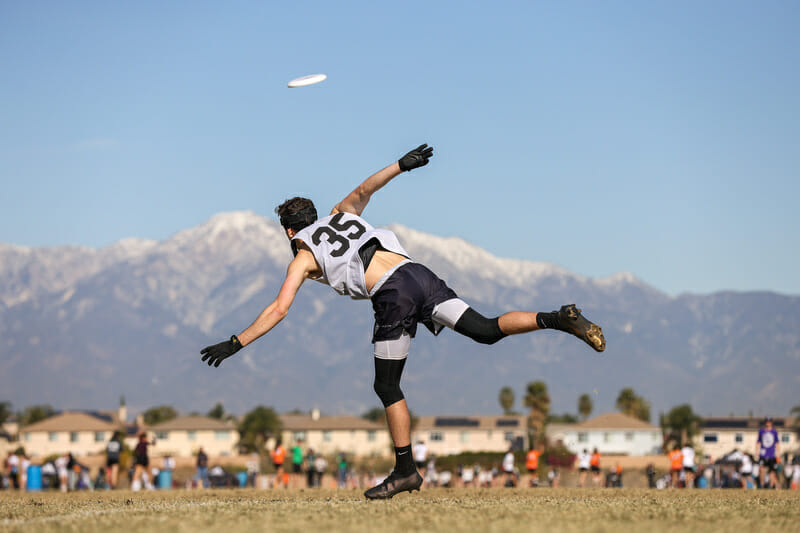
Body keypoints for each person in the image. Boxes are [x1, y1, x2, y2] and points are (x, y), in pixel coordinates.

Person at [199, 143, 606, 500]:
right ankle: (557, 318)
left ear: (290, 231)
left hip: (394, 294)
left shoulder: (302, 255)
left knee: (386, 384)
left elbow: (278, 308)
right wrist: (401, 164)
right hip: (418, 274)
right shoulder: (342, 213)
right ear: (316, 214)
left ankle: (405, 469)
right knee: (484, 330)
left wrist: (236, 342)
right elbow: (363, 190)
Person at [756, 417, 780, 489]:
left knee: (772, 471)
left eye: (769, 421)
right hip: (763, 454)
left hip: (772, 454)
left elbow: (777, 443)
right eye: (766, 421)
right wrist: (756, 452)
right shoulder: (761, 431)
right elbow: (758, 442)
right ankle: (762, 484)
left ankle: (771, 485)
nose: (768, 423)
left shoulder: (774, 432)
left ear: (771, 422)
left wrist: (778, 454)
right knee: (761, 469)